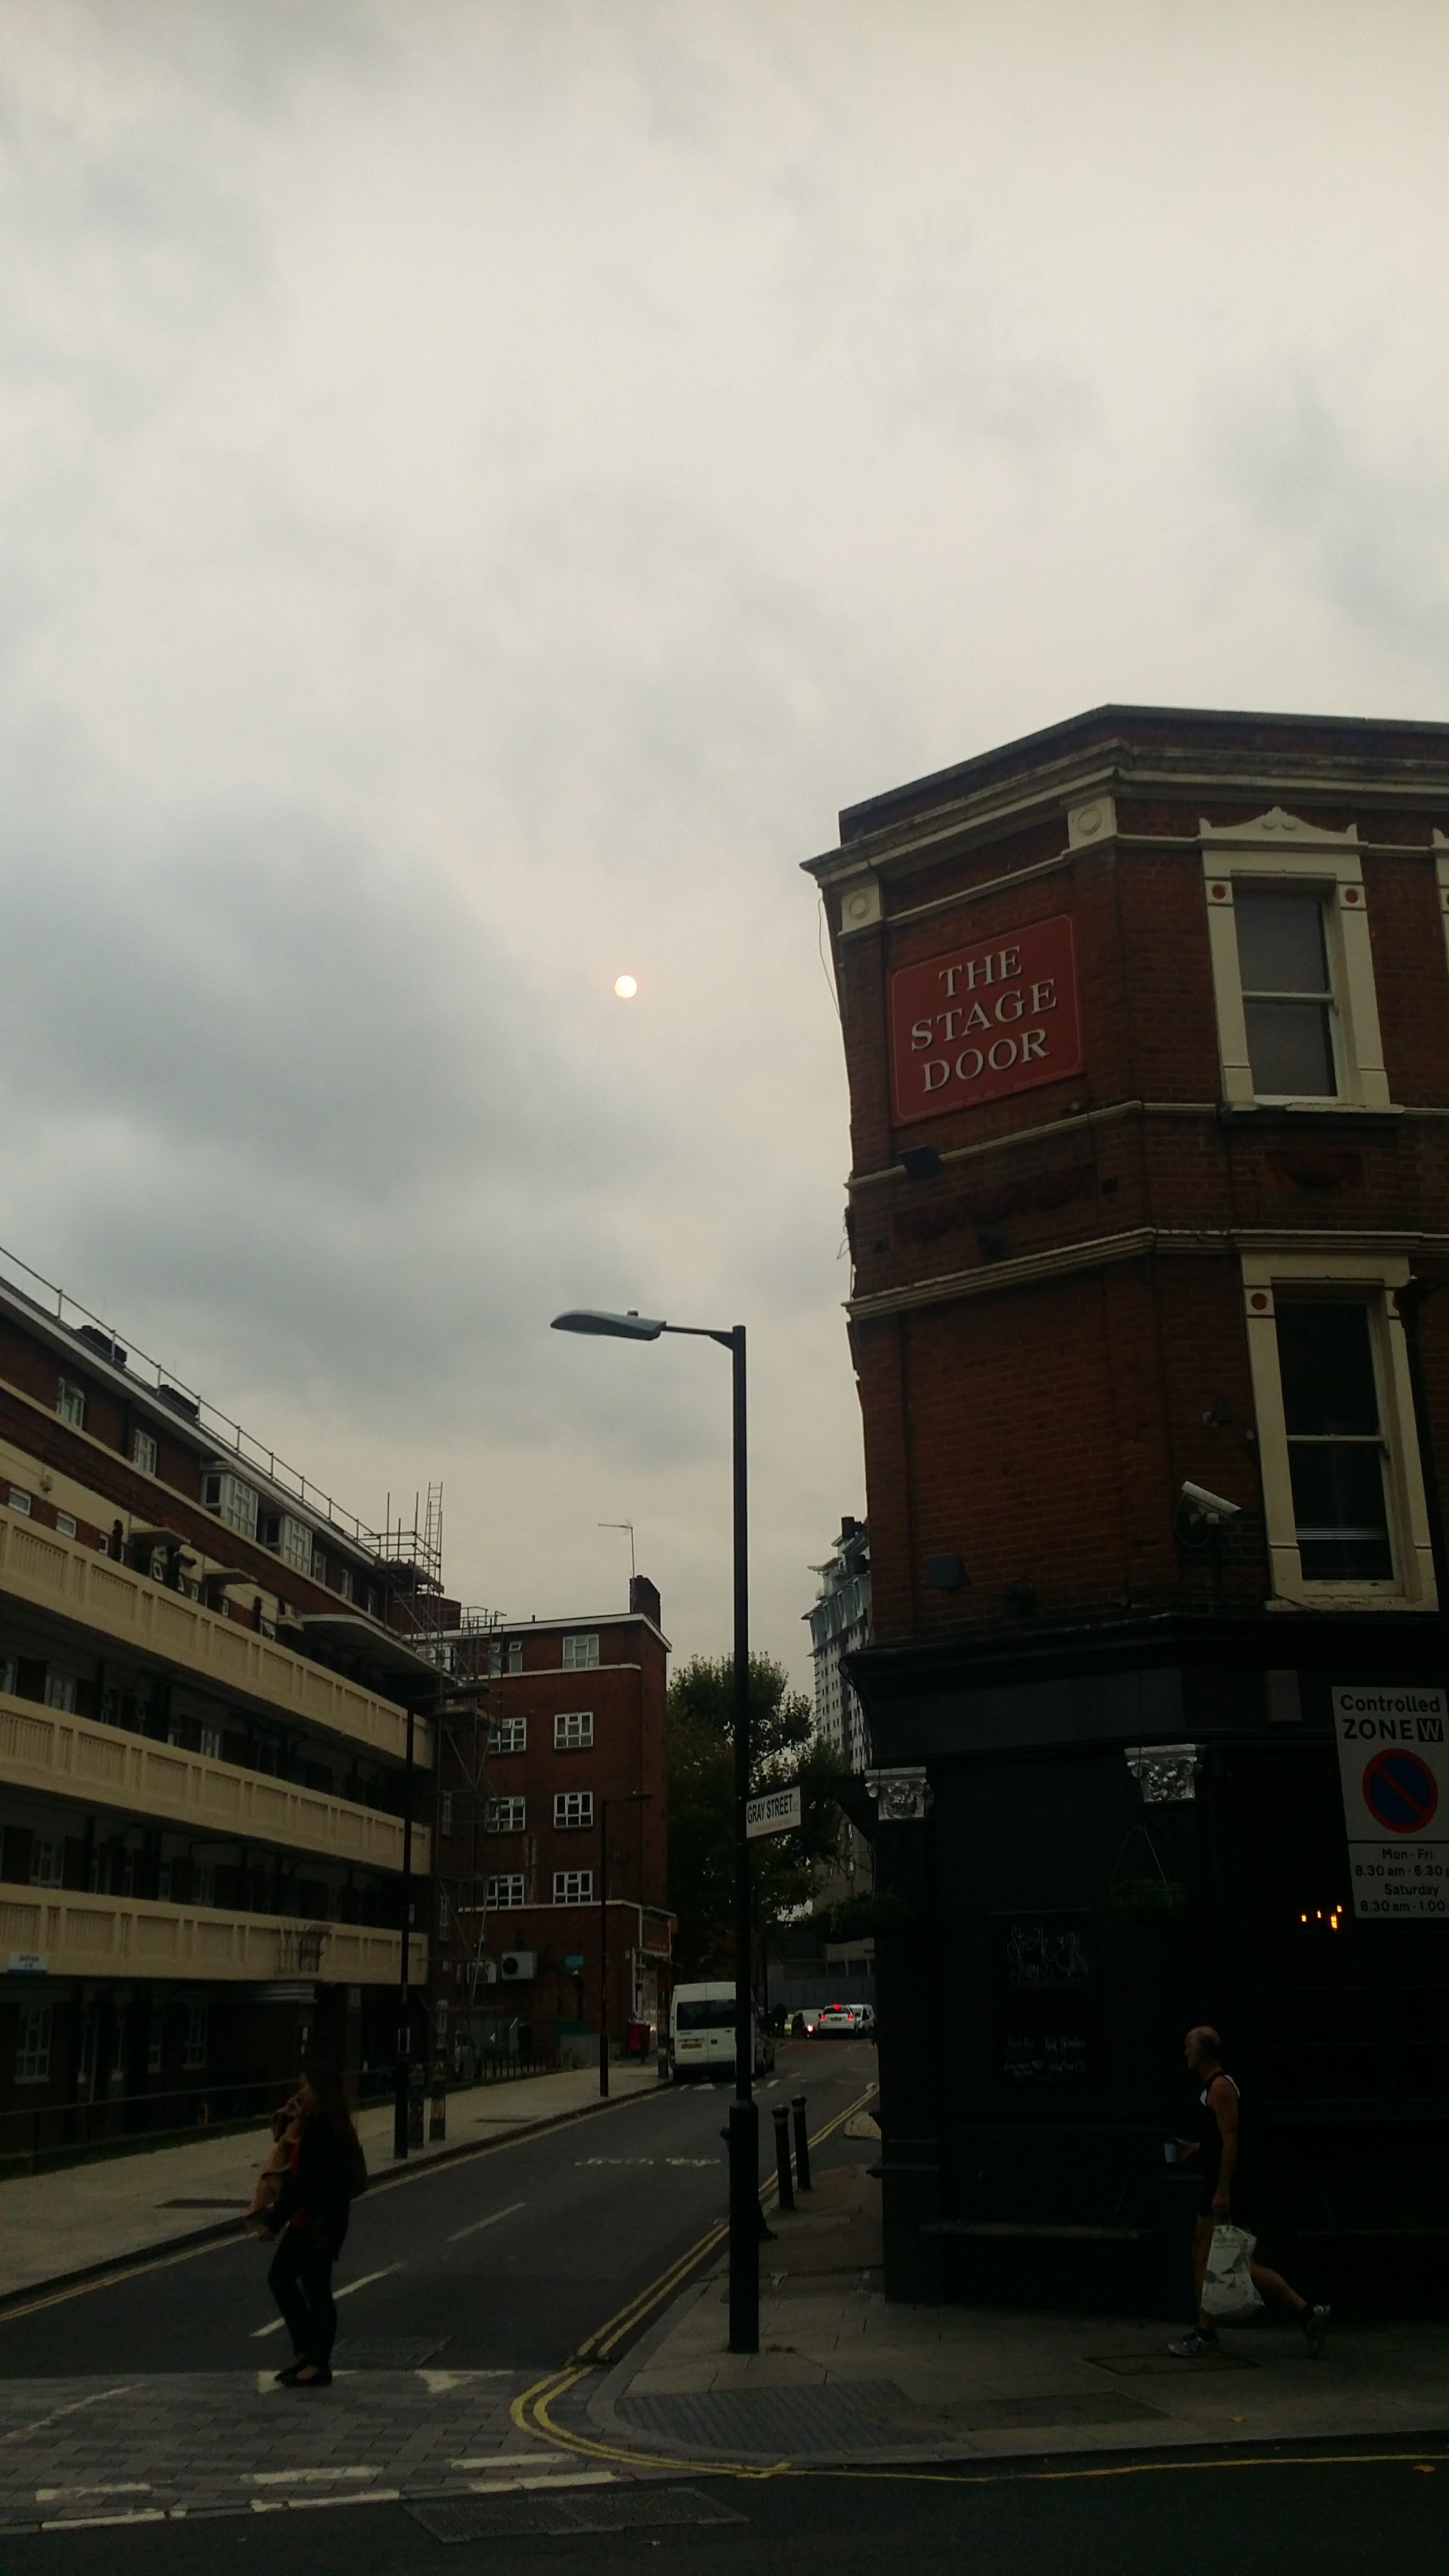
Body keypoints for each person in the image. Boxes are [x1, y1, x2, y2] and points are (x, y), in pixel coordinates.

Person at [1168, 2024, 1329, 2360]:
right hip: (1218, 2186)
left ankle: (1209, 2333)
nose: (1185, 2053)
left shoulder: (1221, 2087)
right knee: (1211, 2258)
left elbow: (1231, 2139)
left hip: (1227, 2189)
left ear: (1202, 2052)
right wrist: (1197, 2149)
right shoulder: (1213, 2088)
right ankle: (1305, 2313)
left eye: (1188, 2047)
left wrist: (1223, 2191)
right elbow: (1220, 2138)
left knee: (1228, 2261)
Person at [261, 2062, 367, 2388]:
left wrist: (273, 2222)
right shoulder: (315, 2124)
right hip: (313, 2220)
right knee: (305, 2284)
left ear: (321, 2090)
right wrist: (292, 2116)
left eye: (304, 2086)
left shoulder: (325, 2130)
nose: (299, 2092)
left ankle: (315, 2360)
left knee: (298, 2283)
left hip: (318, 2222)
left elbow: (303, 2183)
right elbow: (284, 2146)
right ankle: (309, 2355)